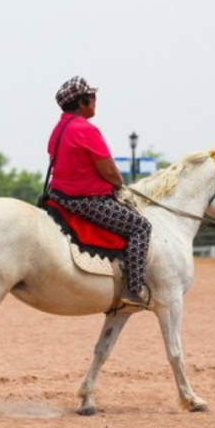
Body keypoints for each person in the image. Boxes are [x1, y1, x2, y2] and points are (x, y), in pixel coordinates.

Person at [47, 76, 152, 307]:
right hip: (86, 201)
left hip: (58, 197)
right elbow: (109, 171)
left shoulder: (58, 129)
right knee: (141, 227)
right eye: (92, 97)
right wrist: (118, 184)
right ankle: (133, 289)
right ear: (82, 101)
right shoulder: (85, 129)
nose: (95, 101)